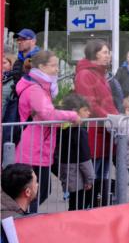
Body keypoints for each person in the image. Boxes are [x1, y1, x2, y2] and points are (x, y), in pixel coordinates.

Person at [14, 50, 80, 211]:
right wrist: (71, 115)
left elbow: (43, 114)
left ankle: (24, 219)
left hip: (36, 145)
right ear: (42, 67)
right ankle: (24, 220)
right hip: (32, 147)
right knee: (37, 192)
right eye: (53, 65)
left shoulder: (38, 87)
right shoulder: (35, 89)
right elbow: (47, 114)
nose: (57, 69)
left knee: (38, 191)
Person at [74, 39, 117, 205]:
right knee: (92, 179)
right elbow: (88, 104)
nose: (108, 55)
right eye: (105, 52)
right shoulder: (85, 74)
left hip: (104, 133)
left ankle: (98, 208)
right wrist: (110, 118)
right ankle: (88, 209)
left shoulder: (99, 73)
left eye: (108, 52)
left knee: (102, 178)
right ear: (95, 54)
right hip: (95, 134)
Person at [53, 93, 95, 211]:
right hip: (79, 177)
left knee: (73, 204)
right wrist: (90, 179)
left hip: (68, 174)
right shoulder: (80, 132)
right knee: (79, 206)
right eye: (85, 110)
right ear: (74, 112)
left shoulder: (61, 129)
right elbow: (84, 158)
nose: (89, 113)